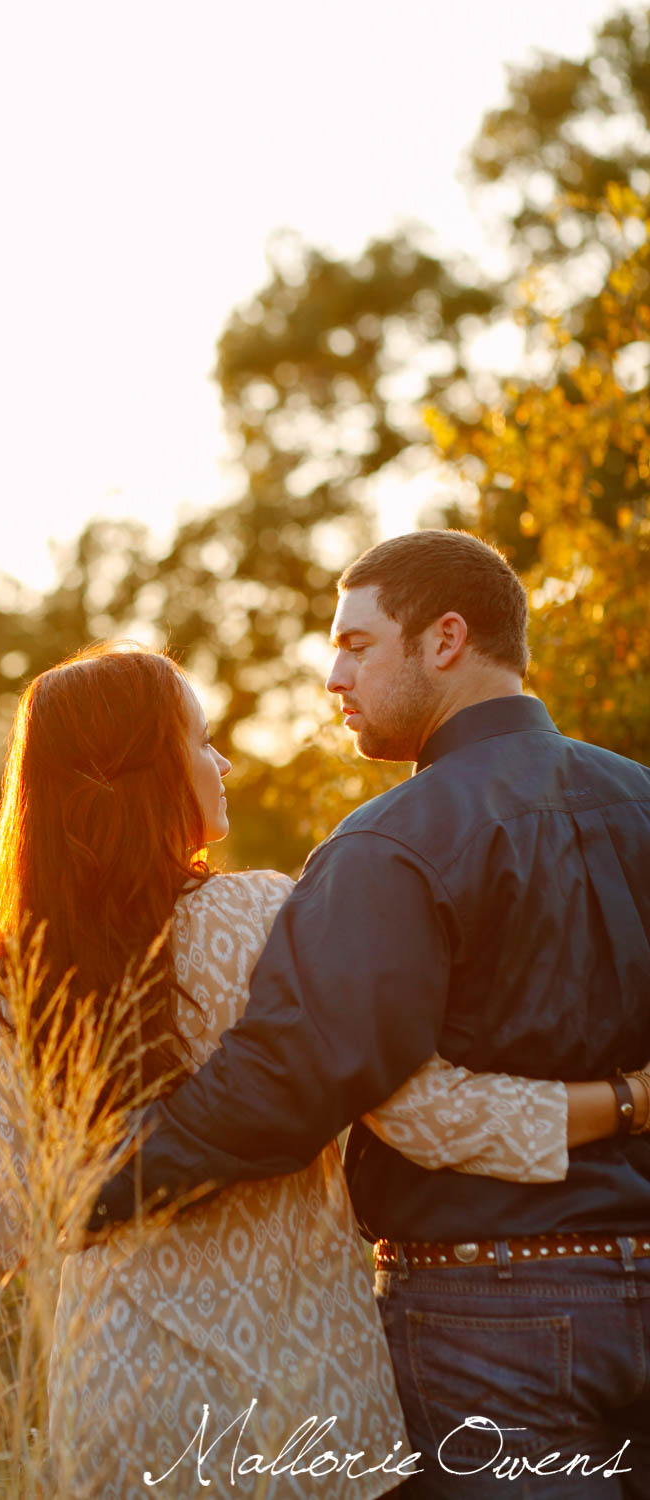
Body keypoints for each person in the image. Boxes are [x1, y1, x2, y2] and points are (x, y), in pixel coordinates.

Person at [0, 639, 637, 1499]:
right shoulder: (266, 913)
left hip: (122, 1406)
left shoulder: (16, 978)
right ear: (152, 773)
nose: (220, 761)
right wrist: (625, 1100)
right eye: (200, 740)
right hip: (306, 1403)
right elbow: (417, 1114)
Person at [88, 531, 650, 1496]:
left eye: (356, 645)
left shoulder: (390, 844)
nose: (332, 676)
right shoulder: (642, 801)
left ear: (444, 639)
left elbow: (290, 1081)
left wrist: (94, 1184)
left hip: (489, 1320)